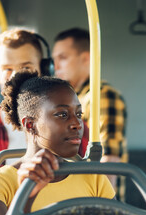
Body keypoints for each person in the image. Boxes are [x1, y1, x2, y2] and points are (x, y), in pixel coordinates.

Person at [0, 29, 88, 215]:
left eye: (25, 67)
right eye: (6, 69)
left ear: (45, 69)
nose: (14, 76)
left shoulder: (74, 129)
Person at [0, 71, 115, 215]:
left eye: (79, 114)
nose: (77, 124)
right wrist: (27, 195)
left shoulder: (94, 178)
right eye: (62, 114)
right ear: (30, 125)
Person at [52, 28, 127, 187]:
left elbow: (108, 161)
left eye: (63, 58)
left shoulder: (101, 95)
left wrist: (103, 207)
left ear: (85, 58)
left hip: (94, 198)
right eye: (54, 60)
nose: (56, 66)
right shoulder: (75, 98)